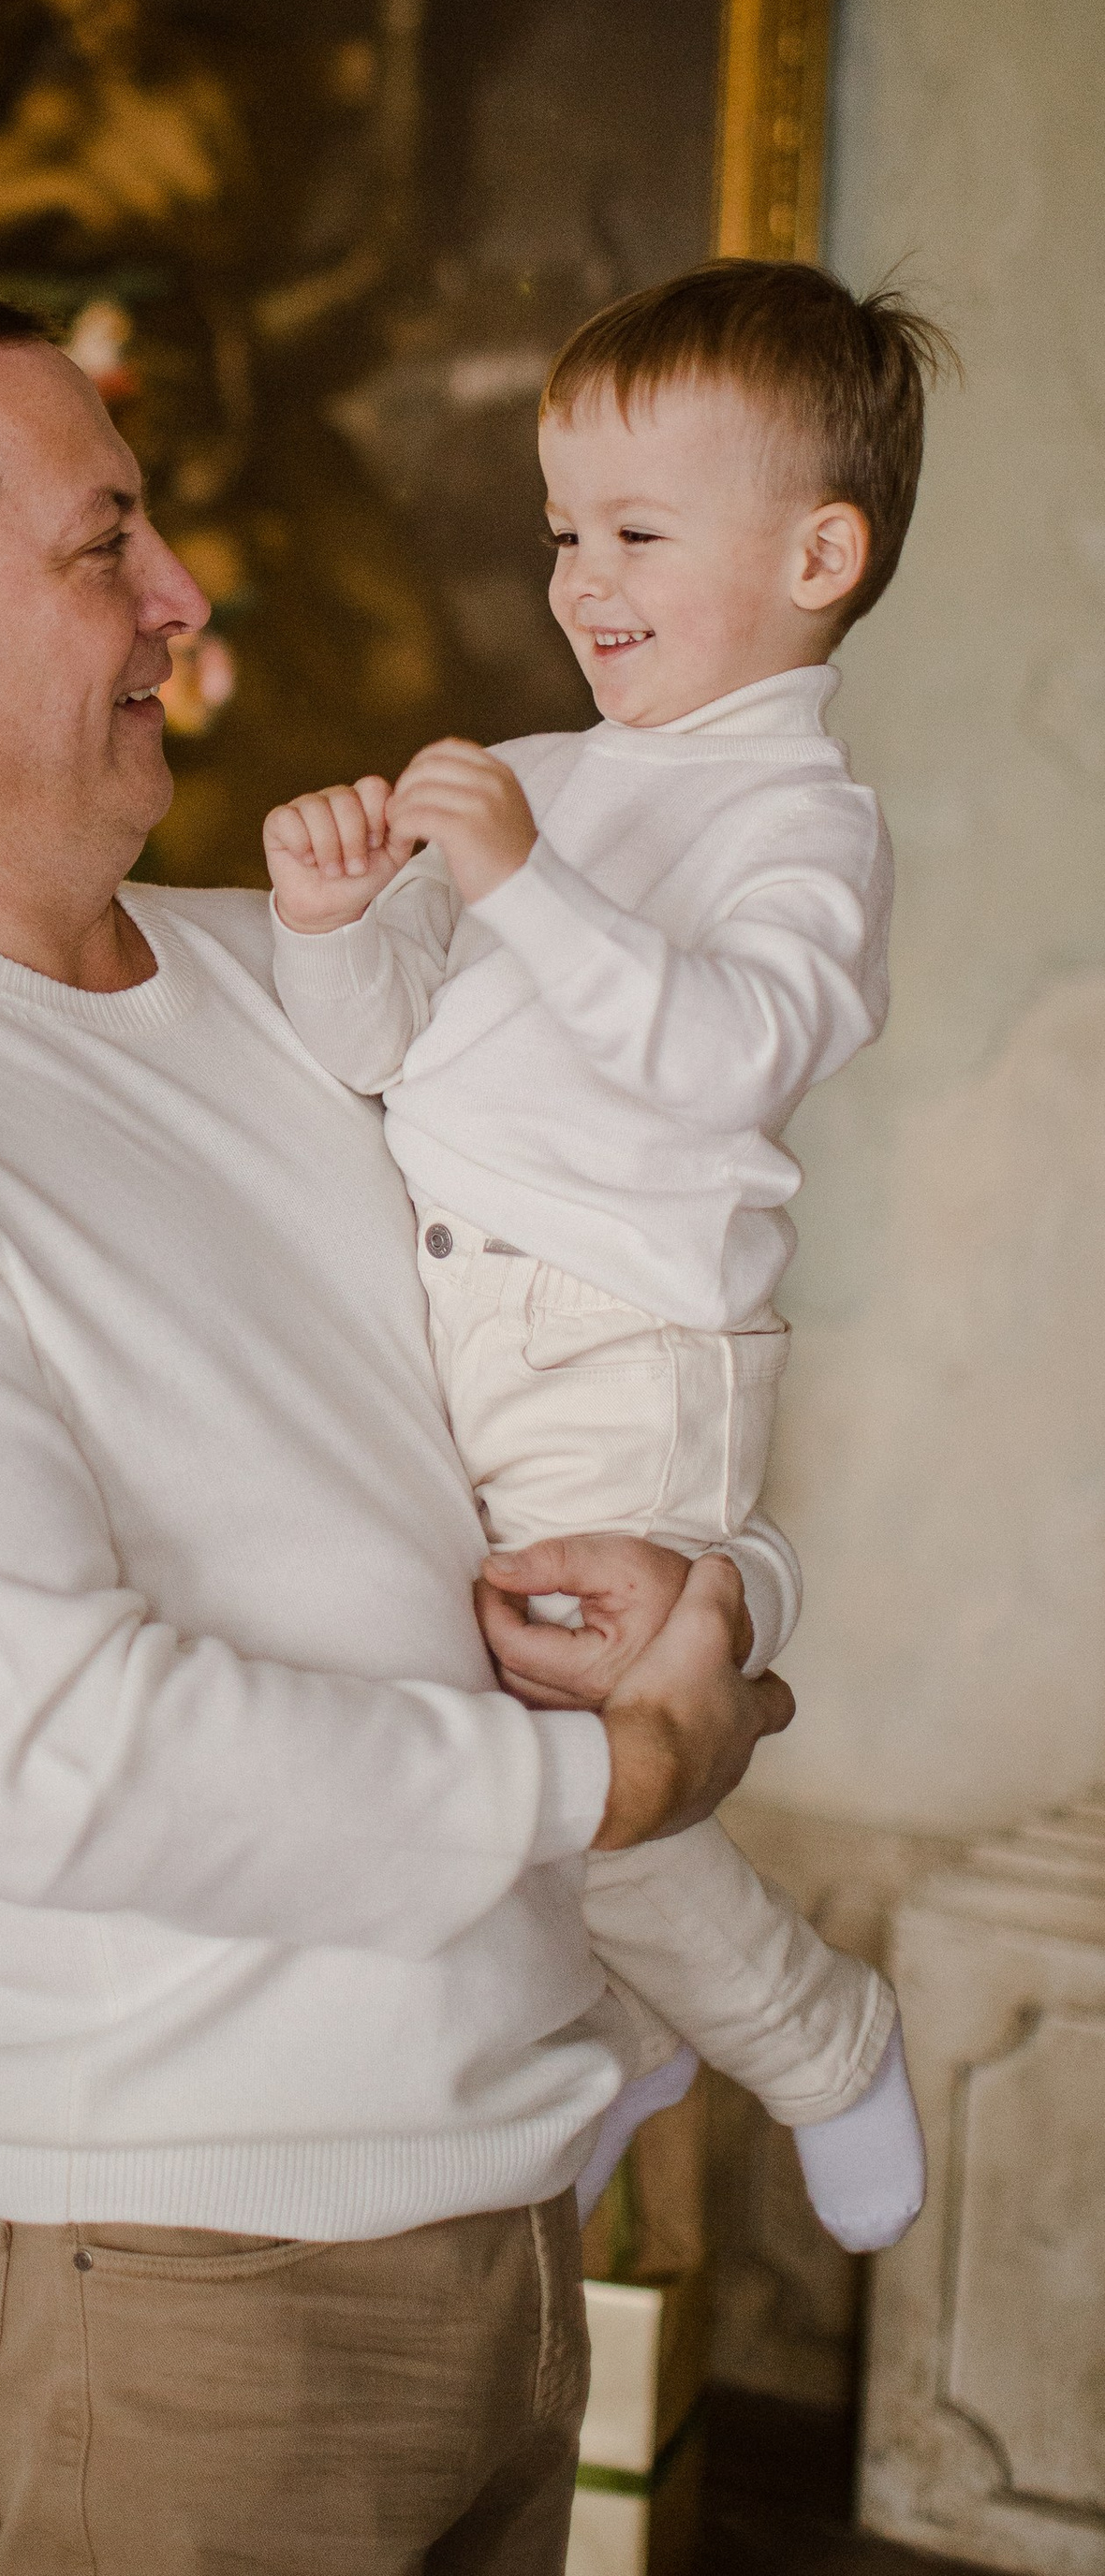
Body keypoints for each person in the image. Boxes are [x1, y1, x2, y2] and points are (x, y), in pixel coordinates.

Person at [0, 289, 798, 2575]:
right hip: (180, 2274)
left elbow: (637, 1334)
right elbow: (50, 1754)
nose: (181, 602)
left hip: (502, 2204)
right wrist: (607, 1778)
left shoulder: (298, 970)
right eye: (103, 551)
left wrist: (726, 1603)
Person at [263, 263, 950, 2258]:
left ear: (817, 552)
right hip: (462, 1340)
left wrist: (516, 885)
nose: (578, 579)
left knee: (589, 1759)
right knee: (489, 1757)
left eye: (634, 532)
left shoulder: (800, 827)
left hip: (620, 1354)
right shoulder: (546, 782)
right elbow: (384, 1062)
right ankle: (638, 2026)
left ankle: (811, 2035)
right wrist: (333, 925)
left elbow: (720, 1048)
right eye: (561, 529)